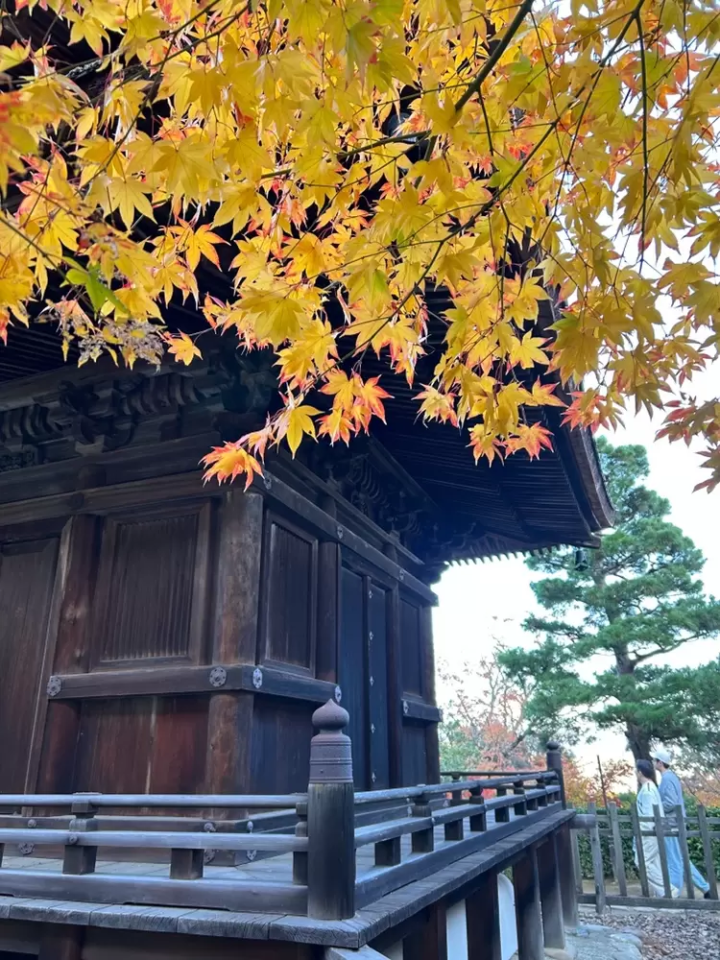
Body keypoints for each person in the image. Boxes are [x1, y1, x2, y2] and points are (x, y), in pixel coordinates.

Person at [651, 748, 711, 898]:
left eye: (655, 760)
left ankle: (674, 893)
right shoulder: (671, 778)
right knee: (682, 859)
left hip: (671, 825)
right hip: (675, 824)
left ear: (660, 763)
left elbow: (671, 802)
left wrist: (656, 810)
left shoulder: (667, 779)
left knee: (674, 860)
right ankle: (706, 889)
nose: (653, 762)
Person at [634, 760, 680, 898]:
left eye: (636, 771)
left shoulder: (647, 791)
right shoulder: (651, 787)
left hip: (648, 833)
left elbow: (648, 816)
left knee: (642, 862)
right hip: (654, 831)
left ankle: (669, 891)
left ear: (640, 772)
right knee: (654, 864)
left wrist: (641, 833)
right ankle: (665, 893)